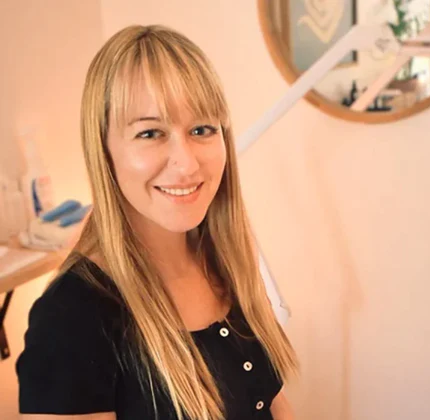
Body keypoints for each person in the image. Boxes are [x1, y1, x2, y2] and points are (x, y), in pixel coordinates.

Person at [16, 24, 298, 420]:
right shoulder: (71, 318)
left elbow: (271, 402)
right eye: (151, 133)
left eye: (202, 129)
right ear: (104, 150)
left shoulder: (226, 260)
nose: (186, 163)